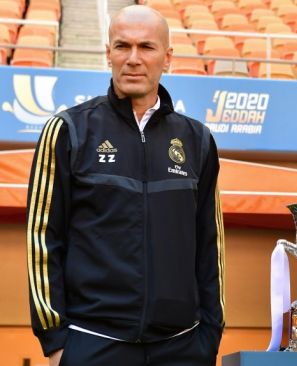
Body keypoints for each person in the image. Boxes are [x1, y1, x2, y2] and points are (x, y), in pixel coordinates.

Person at [26, 5, 225, 365]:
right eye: (122, 46)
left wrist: (210, 334)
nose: (133, 59)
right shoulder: (68, 130)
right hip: (93, 343)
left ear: (167, 58)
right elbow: (43, 239)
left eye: (146, 47)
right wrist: (56, 340)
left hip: (182, 347)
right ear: (108, 54)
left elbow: (210, 247)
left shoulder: (197, 140)